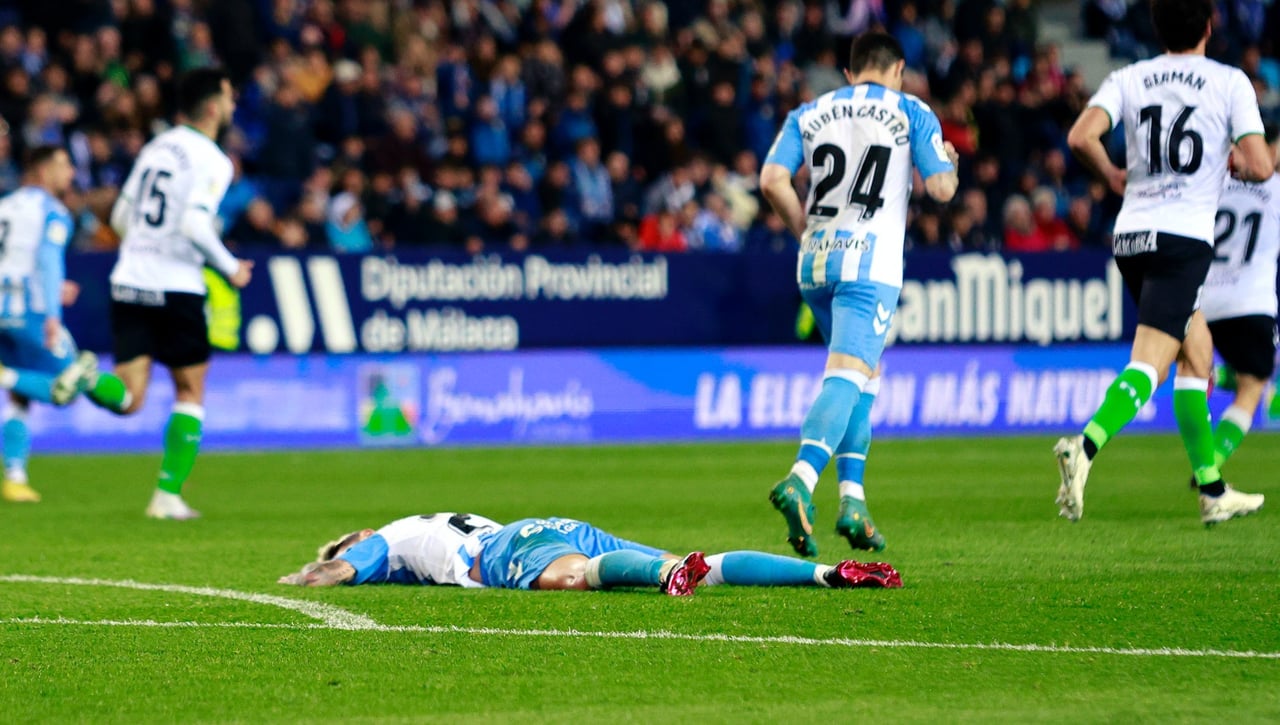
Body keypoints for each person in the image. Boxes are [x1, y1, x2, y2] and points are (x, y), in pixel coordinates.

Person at [1058, 0, 1273, 526]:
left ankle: (1212, 489)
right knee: (1152, 361)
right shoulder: (1228, 81)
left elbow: (1080, 136)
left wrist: (1110, 172)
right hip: (1184, 238)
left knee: (1196, 356)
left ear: (1156, 28)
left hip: (1132, 235)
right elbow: (1262, 165)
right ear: (1209, 25)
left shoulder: (1130, 77)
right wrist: (1236, 168)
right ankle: (1083, 447)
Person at [759, 32, 958, 556]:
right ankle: (801, 480)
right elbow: (940, 189)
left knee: (864, 376)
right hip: (870, 265)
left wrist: (804, 225)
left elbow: (772, 178)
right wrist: (951, 166)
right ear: (897, 70)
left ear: (850, 74)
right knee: (847, 375)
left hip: (815, 262)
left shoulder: (809, 111)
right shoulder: (912, 110)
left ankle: (854, 501)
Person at [106, 68, 254, 520]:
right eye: (229, 98)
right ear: (212, 106)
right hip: (176, 285)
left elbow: (118, 217)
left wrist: (145, 247)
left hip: (129, 279)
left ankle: (84, 377)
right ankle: (166, 495)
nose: (232, 107)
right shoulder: (213, 158)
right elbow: (193, 224)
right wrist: (230, 267)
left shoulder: (156, 147)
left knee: (128, 398)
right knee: (190, 389)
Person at [276, 512, 902, 594]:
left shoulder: (392, 536)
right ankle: (827, 574)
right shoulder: (423, 533)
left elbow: (338, 568)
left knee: (571, 580)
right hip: (552, 525)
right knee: (707, 569)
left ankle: (662, 575)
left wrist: (304, 575)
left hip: (509, 548)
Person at [0, 145, 128, 502]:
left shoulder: (5, 205)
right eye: (63, 165)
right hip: (32, 311)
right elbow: (47, 258)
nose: (70, 173)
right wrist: (53, 312)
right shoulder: (52, 211)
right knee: (66, 386)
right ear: (42, 172)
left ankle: (14, 477)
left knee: (21, 397)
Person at [1196, 124, 1280, 481]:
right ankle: (1210, 464)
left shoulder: (1211, 185)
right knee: (1254, 385)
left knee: (1246, 375)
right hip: (1251, 302)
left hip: (1203, 300)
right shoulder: (1276, 189)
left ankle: (1213, 373)